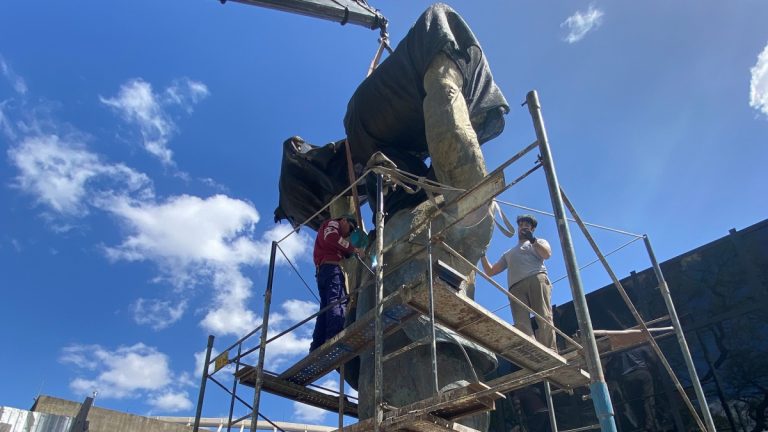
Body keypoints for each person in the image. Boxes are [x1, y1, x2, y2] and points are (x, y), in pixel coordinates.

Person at [481, 214, 555, 349]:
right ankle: (534, 352)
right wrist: (482, 254)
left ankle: (550, 349)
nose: (522, 228)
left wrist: (533, 240)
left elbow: (547, 254)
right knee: (521, 324)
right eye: (521, 225)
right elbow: (490, 271)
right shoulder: (508, 253)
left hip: (536, 279)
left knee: (543, 316)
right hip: (515, 288)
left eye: (526, 226)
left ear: (532, 229)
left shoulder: (538, 243)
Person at [310, 215, 362, 351]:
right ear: (343, 220)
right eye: (349, 229)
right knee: (337, 301)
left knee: (325, 308)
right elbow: (331, 237)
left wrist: (348, 251)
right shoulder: (333, 223)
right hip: (331, 269)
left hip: (323, 271)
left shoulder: (334, 237)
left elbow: (335, 243)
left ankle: (317, 345)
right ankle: (334, 337)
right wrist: (353, 249)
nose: (348, 234)